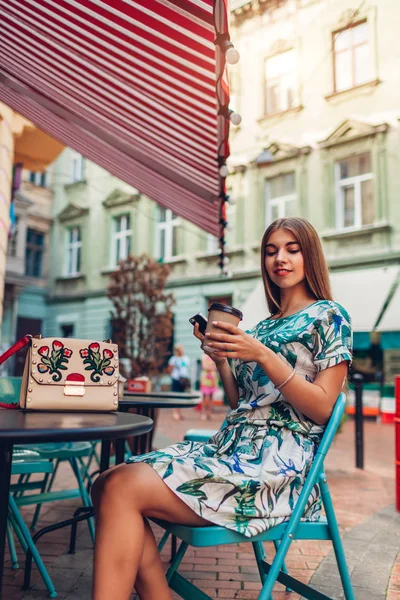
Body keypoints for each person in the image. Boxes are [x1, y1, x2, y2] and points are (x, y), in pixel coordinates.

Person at [91, 217, 352, 600]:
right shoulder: (262, 327)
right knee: (104, 483)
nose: (280, 258)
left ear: (309, 254)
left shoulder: (329, 316)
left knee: (120, 489)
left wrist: (261, 355)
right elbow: (241, 402)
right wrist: (221, 361)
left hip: (279, 466)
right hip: (230, 449)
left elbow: (325, 409)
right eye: (271, 250)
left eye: (292, 249)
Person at [167, 344, 191, 421]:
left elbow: (187, 368)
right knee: (175, 396)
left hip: (183, 380)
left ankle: (180, 413)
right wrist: (173, 376)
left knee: (181, 397)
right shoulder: (173, 359)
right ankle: (175, 412)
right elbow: (170, 369)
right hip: (176, 379)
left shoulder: (186, 358)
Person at [199, 352, 219, 420]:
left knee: (211, 397)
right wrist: (211, 367)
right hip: (205, 378)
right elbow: (205, 366)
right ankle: (203, 413)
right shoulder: (204, 356)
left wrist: (211, 367)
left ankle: (209, 413)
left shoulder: (214, 356)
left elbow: (216, 366)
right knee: (204, 397)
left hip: (212, 379)